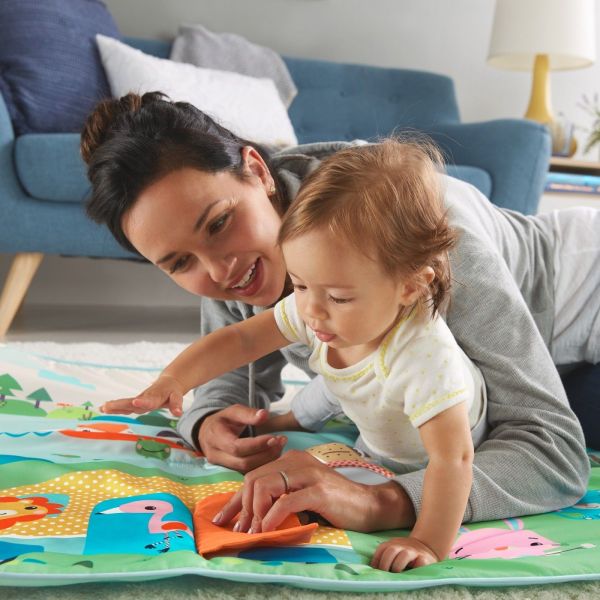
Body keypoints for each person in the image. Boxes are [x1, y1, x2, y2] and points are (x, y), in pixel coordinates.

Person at [81, 91, 591, 557]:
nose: (218, 271)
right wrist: (207, 423)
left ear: (257, 171)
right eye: (180, 263)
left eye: (218, 224)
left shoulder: (415, 238)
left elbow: (555, 454)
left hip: (580, 299)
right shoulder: (242, 263)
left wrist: (378, 502)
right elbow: (230, 366)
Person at [97, 140, 488, 570]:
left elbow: (454, 460)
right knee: (326, 392)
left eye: (338, 297)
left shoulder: (426, 361)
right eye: (299, 285)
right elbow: (241, 340)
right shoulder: (318, 304)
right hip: (371, 410)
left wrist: (427, 543)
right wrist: (174, 380)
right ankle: (289, 420)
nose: (311, 311)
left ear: (410, 287)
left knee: (338, 398)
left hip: (428, 447)